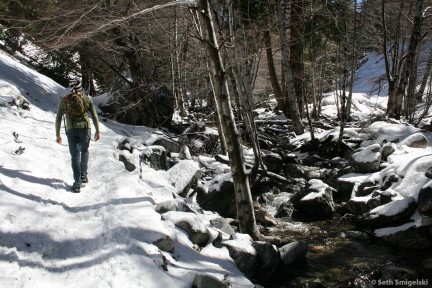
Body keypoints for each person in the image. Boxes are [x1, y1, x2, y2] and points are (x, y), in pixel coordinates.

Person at [55, 79, 100, 193]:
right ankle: (84, 176)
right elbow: (94, 116)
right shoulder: (87, 98)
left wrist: (58, 134)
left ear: (70, 88)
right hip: (85, 128)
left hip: (71, 130)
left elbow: (58, 118)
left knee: (75, 156)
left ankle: (77, 183)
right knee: (84, 151)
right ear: (80, 88)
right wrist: (97, 131)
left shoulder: (64, 100)